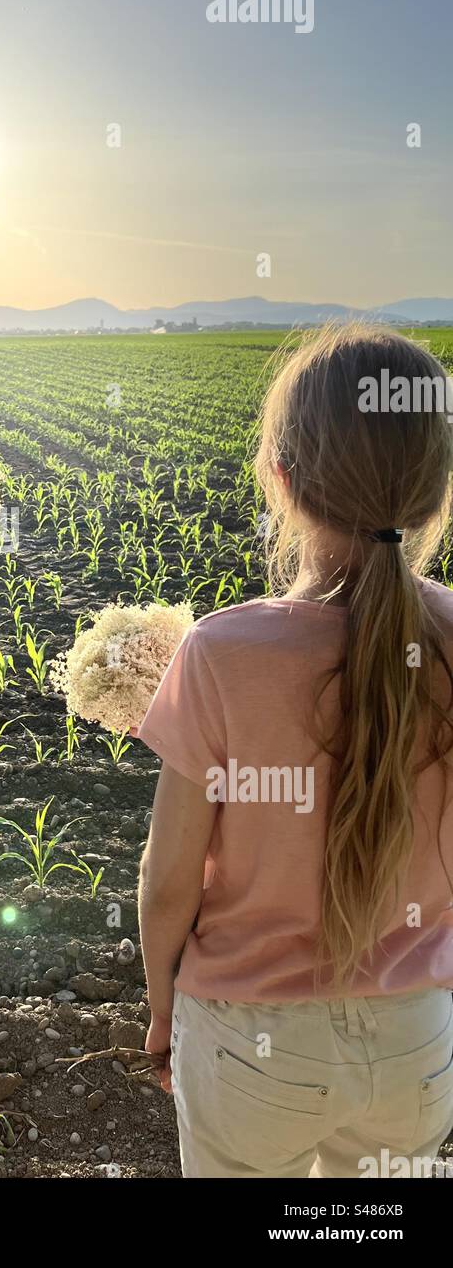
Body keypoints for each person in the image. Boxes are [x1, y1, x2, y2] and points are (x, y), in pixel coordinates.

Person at [137, 323, 453, 1178]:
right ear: (432, 492)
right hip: (416, 1042)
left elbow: (169, 886)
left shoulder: (223, 652)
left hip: (250, 1038)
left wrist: (163, 1011)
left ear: (279, 479)